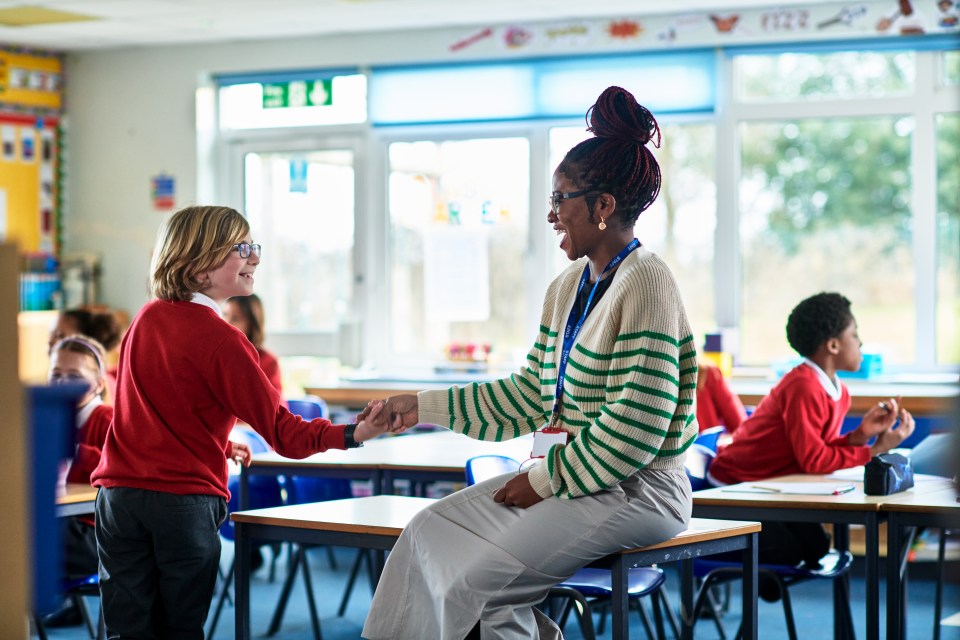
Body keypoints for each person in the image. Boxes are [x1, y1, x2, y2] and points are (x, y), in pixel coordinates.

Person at [361, 86, 699, 640]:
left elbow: (639, 424)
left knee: (480, 587)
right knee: (428, 534)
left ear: (603, 205)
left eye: (561, 198)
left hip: (639, 489)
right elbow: (527, 394)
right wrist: (418, 406)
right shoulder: (567, 285)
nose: (551, 214)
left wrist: (544, 480)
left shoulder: (648, 280)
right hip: (578, 478)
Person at [90, 205, 389, 639]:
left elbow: (150, 412)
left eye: (254, 247)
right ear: (197, 264)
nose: (255, 258)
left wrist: (218, 442)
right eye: (241, 248)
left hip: (119, 500)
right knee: (179, 630)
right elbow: (284, 433)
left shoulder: (145, 318)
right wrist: (354, 432)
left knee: (127, 631)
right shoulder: (224, 340)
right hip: (181, 505)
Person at [708, 292, 915, 574]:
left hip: (768, 485)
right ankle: (755, 587)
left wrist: (862, 435)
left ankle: (764, 582)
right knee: (791, 551)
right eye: (854, 334)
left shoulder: (838, 390)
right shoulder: (803, 386)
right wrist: (874, 451)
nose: (861, 342)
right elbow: (813, 461)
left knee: (817, 547)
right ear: (832, 345)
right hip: (733, 488)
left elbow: (821, 448)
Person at [42, 335, 112, 627]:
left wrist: (73, 451)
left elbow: (116, 467)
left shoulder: (107, 419)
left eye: (74, 376)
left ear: (97, 384)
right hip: (63, 522)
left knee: (20, 539)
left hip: (96, 536)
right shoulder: (50, 417)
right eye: (56, 375)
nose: (62, 383)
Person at [48, 307, 124, 402]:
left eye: (59, 335)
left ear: (86, 340)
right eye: (50, 335)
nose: (50, 341)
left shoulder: (104, 388)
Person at [225, 293, 284, 398]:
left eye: (236, 318)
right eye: (224, 314)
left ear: (252, 324)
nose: (226, 323)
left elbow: (273, 408)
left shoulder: (268, 361)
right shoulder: (218, 355)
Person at [696, 359, 747, 434]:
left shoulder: (709, 373)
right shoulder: (708, 372)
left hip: (708, 443)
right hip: (708, 443)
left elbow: (738, 424)